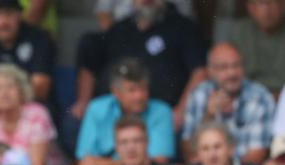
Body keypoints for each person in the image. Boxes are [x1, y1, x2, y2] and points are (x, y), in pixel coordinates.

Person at [73, 0, 206, 128]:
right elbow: (90, 62)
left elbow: (200, 71)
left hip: (161, 117)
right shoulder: (120, 28)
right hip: (114, 114)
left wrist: (182, 111)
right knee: (74, 123)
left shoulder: (184, 28)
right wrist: (84, 101)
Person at [181, 42, 275, 165]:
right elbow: (189, 153)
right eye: (223, 67)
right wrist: (208, 116)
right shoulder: (199, 94)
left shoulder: (260, 97)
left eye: (236, 66)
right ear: (210, 71)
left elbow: (256, 158)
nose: (232, 73)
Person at [229, 0, 285, 95]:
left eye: (272, 3)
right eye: (261, 3)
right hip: (245, 98)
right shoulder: (239, 32)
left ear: (284, 4)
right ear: (251, 7)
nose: (266, 10)